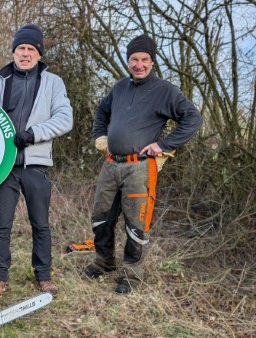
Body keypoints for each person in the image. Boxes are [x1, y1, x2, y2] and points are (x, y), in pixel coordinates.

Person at [84, 34, 202, 294]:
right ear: (128, 61)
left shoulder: (165, 91)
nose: (139, 64)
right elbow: (102, 111)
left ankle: (131, 276)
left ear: (152, 61)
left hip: (140, 167)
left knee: (136, 223)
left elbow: (192, 118)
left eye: (144, 59)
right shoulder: (119, 88)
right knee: (100, 218)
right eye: (134, 59)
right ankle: (103, 263)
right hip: (111, 164)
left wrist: (164, 145)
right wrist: (100, 136)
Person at [0, 24, 73, 296]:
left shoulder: (53, 82)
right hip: (5, 168)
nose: (25, 53)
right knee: (2, 225)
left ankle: (43, 276)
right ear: (13, 52)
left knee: (40, 224)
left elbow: (65, 119)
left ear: (39, 53)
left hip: (36, 165)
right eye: (21, 48)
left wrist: (34, 134)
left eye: (31, 49)